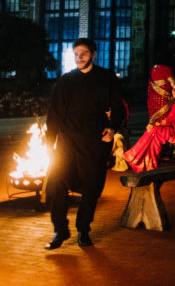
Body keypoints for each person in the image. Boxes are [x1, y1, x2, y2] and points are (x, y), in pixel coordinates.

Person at [44, 38, 127, 249]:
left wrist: (113, 127)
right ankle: (60, 230)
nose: (79, 57)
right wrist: (49, 140)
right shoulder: (66, 81)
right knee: (56, 183)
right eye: (76, 54)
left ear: (94, 54)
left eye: (84, 53)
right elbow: (54, 113)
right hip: (67, 140)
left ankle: (83, 230)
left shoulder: (106, 78)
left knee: (91, 186)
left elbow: (119, 106)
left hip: (93, 141)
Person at [124, 80, 175, 173]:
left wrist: (155, 123)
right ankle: (148, 163)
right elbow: (170, 119)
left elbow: (170, 119)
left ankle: (137, 156)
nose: (173, 92)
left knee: (153, 131)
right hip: (174, 128)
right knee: (154, 136)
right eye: (173, 90)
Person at [147, 42, 175, 124]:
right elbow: (173, 84)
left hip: (153, 101)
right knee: (165, 123)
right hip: (165, 102)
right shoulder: (166, 69)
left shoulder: (154, 68)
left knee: (155, 122)